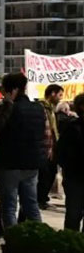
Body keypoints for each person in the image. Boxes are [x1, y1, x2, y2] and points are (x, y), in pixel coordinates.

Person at [0, 72, 48, 235]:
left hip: (8, 163)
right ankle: (38, 239)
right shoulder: (39, 109)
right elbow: (46, 136)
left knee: (9, 206)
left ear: (13, 90)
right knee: (31, 205)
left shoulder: (3, 108)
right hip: (31, 164)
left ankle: (13, 242)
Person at [57, 93, 84, 232]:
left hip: (73, 176)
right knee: (73, 215)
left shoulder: (71, 127)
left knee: (73, 214)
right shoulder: (72, 128)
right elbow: (60, 152)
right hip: (75, 177)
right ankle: (71, 245)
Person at [37, 83, 64, 210]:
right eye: (59, 95)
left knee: (50, 173)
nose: (60, 98)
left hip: (52, 147)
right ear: (52, 93)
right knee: (45, 174)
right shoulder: (42, 108)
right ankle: (40, 199)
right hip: (45, 148)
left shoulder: (52, 109)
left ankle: (42, 198)